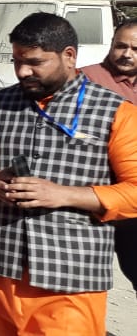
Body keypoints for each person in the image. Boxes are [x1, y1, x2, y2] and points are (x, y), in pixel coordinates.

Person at [0, 12, 137, 336]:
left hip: (71, 272)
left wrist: (64, 194)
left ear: (69, 56)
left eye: (35, 62)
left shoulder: (116, 111)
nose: (23, 71)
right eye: (17, 61)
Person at [80, 18, 137, 290]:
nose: (127, 54)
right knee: (81, 275)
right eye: (121, 46)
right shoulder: (86, 79)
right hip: (93, 194)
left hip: (132, 200)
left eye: (135, 48)